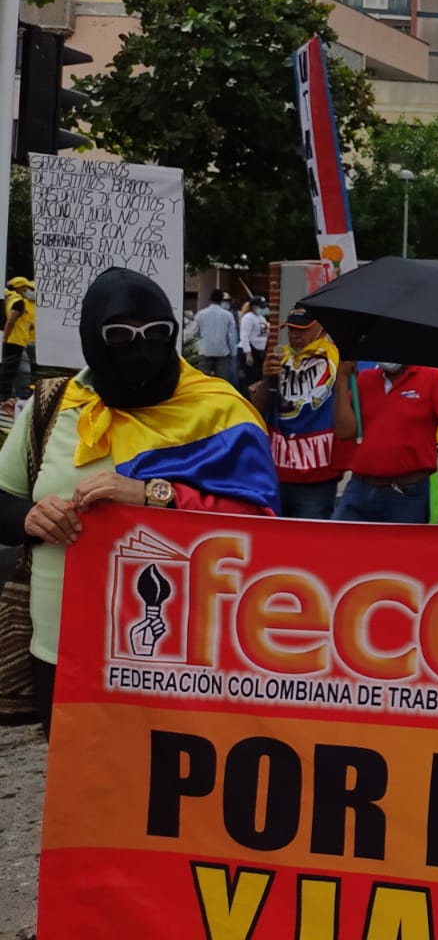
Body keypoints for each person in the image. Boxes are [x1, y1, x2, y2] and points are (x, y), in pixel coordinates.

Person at [0, 268, 277, 734]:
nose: (140, 347)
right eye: (120, 334)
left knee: (170, 796)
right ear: (92, 335)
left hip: (178, 654)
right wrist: (31, 516)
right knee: (79, 795)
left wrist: (154, 495)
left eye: (156, 333)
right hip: (61, 651)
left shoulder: (220, 410)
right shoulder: (55, 404)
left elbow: (261, 526)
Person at [251, 305, 351, 520]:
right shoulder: (280, 359)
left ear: (320, 329)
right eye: (292, 330)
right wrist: (267, 378)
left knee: (311, 540)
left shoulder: (337, 359)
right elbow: (256, 412)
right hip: (279, 471)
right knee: (279, 539)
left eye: (302, 330)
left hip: (318, 474)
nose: (295, 336)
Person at [332, 360, 438, 523]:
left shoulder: (432, 377)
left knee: (402, 547)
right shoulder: (364, 380)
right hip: (360, 488)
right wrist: (341, 382)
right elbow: (345, 432)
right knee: (340, 543)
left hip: (406, 492)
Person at [1, 276, 37, 407]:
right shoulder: (19, 302)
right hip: (15, 341)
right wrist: (5, 338)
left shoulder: (13, 300)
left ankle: (5, 397)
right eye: (25, 287)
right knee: (11, 371)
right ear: (19, 288)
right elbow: (11, 321)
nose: (27, 290)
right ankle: (6, 398)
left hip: (17, 340)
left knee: (9, 370)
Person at [191, 288, 237, 380]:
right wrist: (233, 353)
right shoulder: (228, 315)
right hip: (222, 352)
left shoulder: (201, 314)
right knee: (222, 381)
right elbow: (231, 336)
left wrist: (196, 348)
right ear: (221, 300)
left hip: (205, 350)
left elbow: (193, 332)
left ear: (210, 299)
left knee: (204, 380)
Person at [236, 296, 268, 390]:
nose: (263, 309)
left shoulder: (262, 318)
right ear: (254, 307)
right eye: (261, 307)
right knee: (251, 378)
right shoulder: (248, 318)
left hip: (259, 350)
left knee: (258, 377)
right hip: (249, 350)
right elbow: (244, 336)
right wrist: (248, 353)